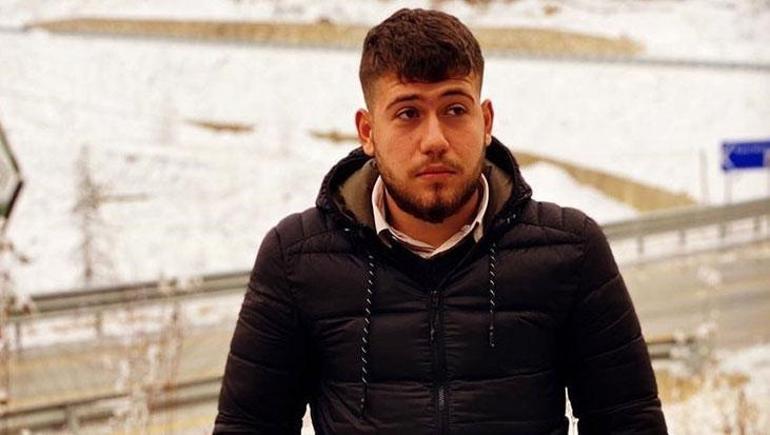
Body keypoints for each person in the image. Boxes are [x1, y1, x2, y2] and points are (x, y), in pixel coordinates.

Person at [214, 8, 667, 435]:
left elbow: (628, 422)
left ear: (485, 121)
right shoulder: (297, 259)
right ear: (368, 132)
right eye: (408, 113)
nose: (434, 140)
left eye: (454, 110)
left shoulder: (569, 250)